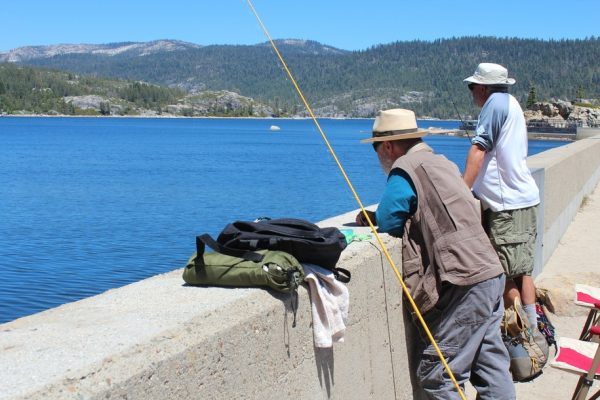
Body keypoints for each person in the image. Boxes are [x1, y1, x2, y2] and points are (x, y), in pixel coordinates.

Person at [356, 108, 515, 399]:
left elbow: (389, 219)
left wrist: (373, 218)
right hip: (490, 272)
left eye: (377, 149)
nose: (378, 157)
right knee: (491, 369)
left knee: (437, 375)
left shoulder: (404, 169)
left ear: (388, 146)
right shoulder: (441, 162)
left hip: (464, 280)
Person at [462, 63, 540, 329]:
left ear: (483, 87)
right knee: (523, 273)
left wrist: (462, 192)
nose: (471, 91)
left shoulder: (493, 104)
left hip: (505, 206)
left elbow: (478, 150)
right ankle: (535, 332)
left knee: (501, 275)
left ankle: (525, 339)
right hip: (524, 201)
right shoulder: (511, 102)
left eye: (472, 86)